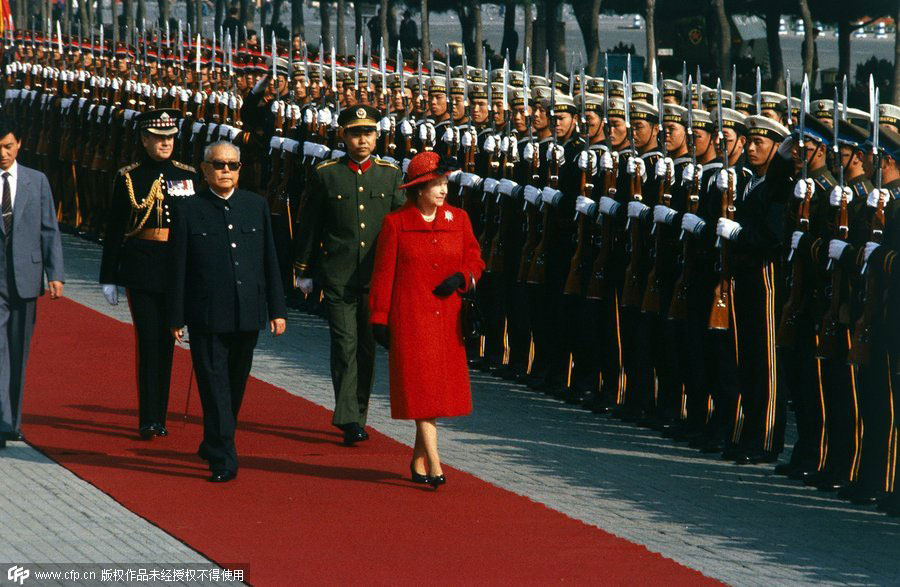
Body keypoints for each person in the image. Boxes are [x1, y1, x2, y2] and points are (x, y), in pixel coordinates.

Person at [168, 141, 287, 483]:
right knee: (213, 385)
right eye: (218, 165)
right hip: (206, 313)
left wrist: (277, 309)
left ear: (240, 170)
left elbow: (269, 260)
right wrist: (176, 316)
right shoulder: (189, 209)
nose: (225, 171)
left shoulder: (255, 205)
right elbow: (178, 268)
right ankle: (224, 456)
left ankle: (213, 440)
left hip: (246, 311)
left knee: (234, 384)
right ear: (204, 169)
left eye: (232, 165)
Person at [369, 151, 485, 487]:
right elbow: (383, 273)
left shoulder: (459, 219)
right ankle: (435, 463)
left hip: (447, 320)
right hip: (411, 319)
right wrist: (379, 316)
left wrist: (462, 278)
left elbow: (476, 260)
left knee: (434, 393)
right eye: (436, 184)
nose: (443, 189)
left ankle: (418, 459)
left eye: (445, 182)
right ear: (418, 189)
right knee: (420, 391)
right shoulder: (396, 223)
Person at [293, 105, 405, 446]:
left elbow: (400, 227)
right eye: (355, 133)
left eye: (368, 133)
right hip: (338, 273)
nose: (362, 139)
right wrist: (303, 270)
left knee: (367, 348)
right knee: (345, 345)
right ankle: (348, 419)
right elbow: (309, 224)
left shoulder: (390, 174)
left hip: (376, 277)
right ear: (343, 135)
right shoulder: (327, 173)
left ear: (377, 136)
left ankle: (358, 412)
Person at [99, 109, 198, 440]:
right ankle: (149, 418)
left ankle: (160, 415)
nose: (166, 143)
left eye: (170, 137)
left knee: (169, 342)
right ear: (144, 139)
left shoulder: (187, 175)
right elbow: (114, 229)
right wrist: (108, 276)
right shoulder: (130, 177)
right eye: (158, 138)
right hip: (142, 268)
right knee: (150, 341)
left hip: (177, 270)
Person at [0, 115, 65, 449]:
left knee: (18, 352)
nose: (3, 153)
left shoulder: (36, 181)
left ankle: (13, 422)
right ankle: (2, 420)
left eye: (9, 146)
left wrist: (55, 273)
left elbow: (48, 229)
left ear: (20, 145)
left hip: (25, 277)